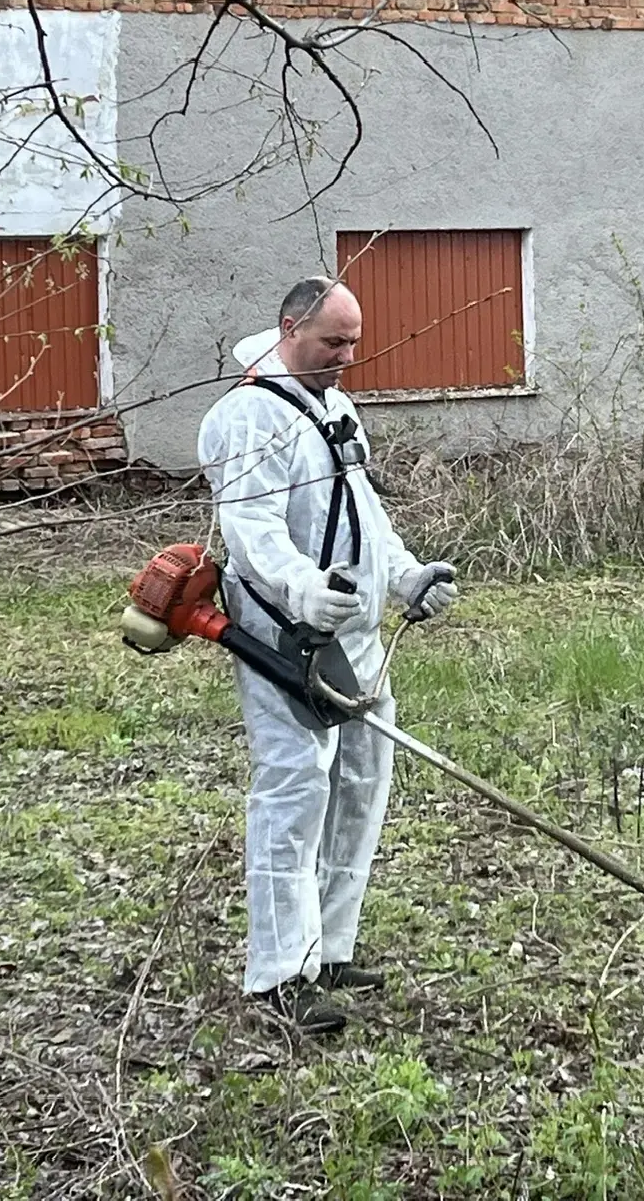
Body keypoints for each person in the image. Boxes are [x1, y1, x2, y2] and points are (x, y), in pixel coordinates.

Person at [196, 277, 459, 1035]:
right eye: (332, 342)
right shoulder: (249, 415)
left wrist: (404, 574)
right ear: (290, 329)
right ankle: (281, 974)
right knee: (295, 790)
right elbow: (251, 528)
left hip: (357, 630)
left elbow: (361, 513)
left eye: (353, 342)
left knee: (359, 785)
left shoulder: (333, 405)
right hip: (284, 631)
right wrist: (302, 589)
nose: (347, 356)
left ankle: (331, 949)